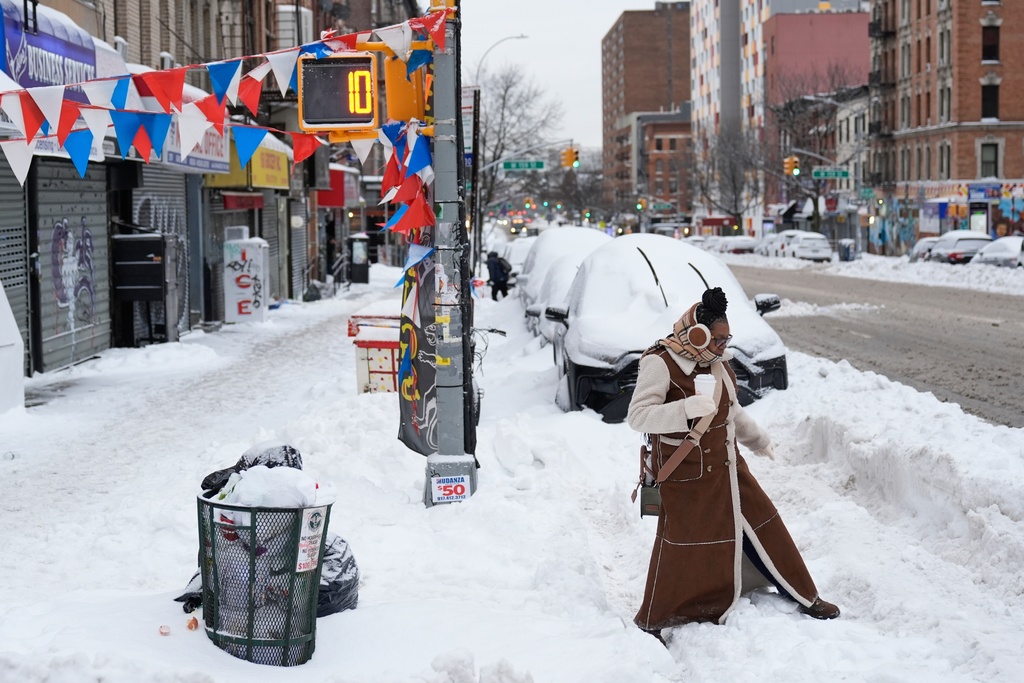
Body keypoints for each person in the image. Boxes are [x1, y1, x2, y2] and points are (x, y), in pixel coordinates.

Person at [627, 286, 839, 644]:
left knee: (764, 525)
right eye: (718, 339)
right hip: (685, 475)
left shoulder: (718, 364)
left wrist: (757, 439)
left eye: (728, 339)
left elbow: (731, 411)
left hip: (728, 467)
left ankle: (801, 593)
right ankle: (655, 618)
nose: (725, 346)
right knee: (681, 545)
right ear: (697, 334)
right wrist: (683, 411)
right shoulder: (659, 363)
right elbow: (638, 416)